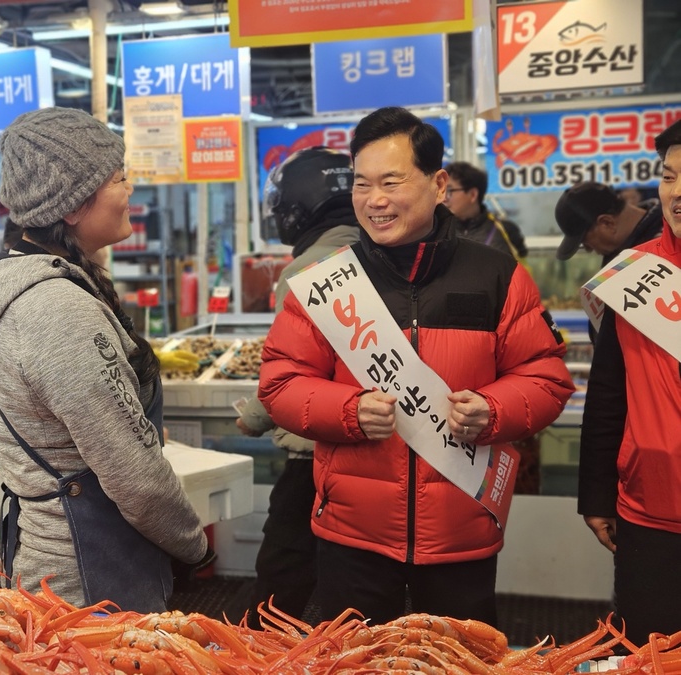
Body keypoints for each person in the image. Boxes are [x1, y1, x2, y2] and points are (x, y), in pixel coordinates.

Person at [258, 107, 574, 626]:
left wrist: (493, 410)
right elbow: (280, 383)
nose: (374, 200)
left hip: (460, 531)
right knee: (354, 659)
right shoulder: (325, 282)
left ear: (438, 184)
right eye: (362, 184)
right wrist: (348, 410)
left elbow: (546, 378)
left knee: (458, 658)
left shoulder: (498, 276)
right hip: (353, 533)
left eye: (391, 182)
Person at [0, 107, 212, 612]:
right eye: (119, 178)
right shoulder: (57, 308)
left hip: (59, 567)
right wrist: (193, 546)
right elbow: (133, 476)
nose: (130, 189)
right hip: (88, 585)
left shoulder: (30, 285)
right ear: (71, 206)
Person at [236, 146, 360, 627]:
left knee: (281, 577)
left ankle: (261, 655)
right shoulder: (378, 251)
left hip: (318, 451)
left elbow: (292, 370)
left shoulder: (309, 268)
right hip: (377, 450)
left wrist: (253, 415)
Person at [577, 119, 681, 647]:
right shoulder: (633, 272)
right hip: (648, 514)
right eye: (669, 176)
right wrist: (596, 493)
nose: (677, 192)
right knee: (647, 653)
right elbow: (607, 390)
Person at [554, 181, 663, 265]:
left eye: (586, 241)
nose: (589, 249)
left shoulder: (668, 240)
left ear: (607, 223)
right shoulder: (616, 256)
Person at [444, 161, 528, 260]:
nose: (444, 198)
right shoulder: (439, 233)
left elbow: (520, 264)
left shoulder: (505, 230)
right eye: (442, 191)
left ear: (473, 194)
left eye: (449, 191)